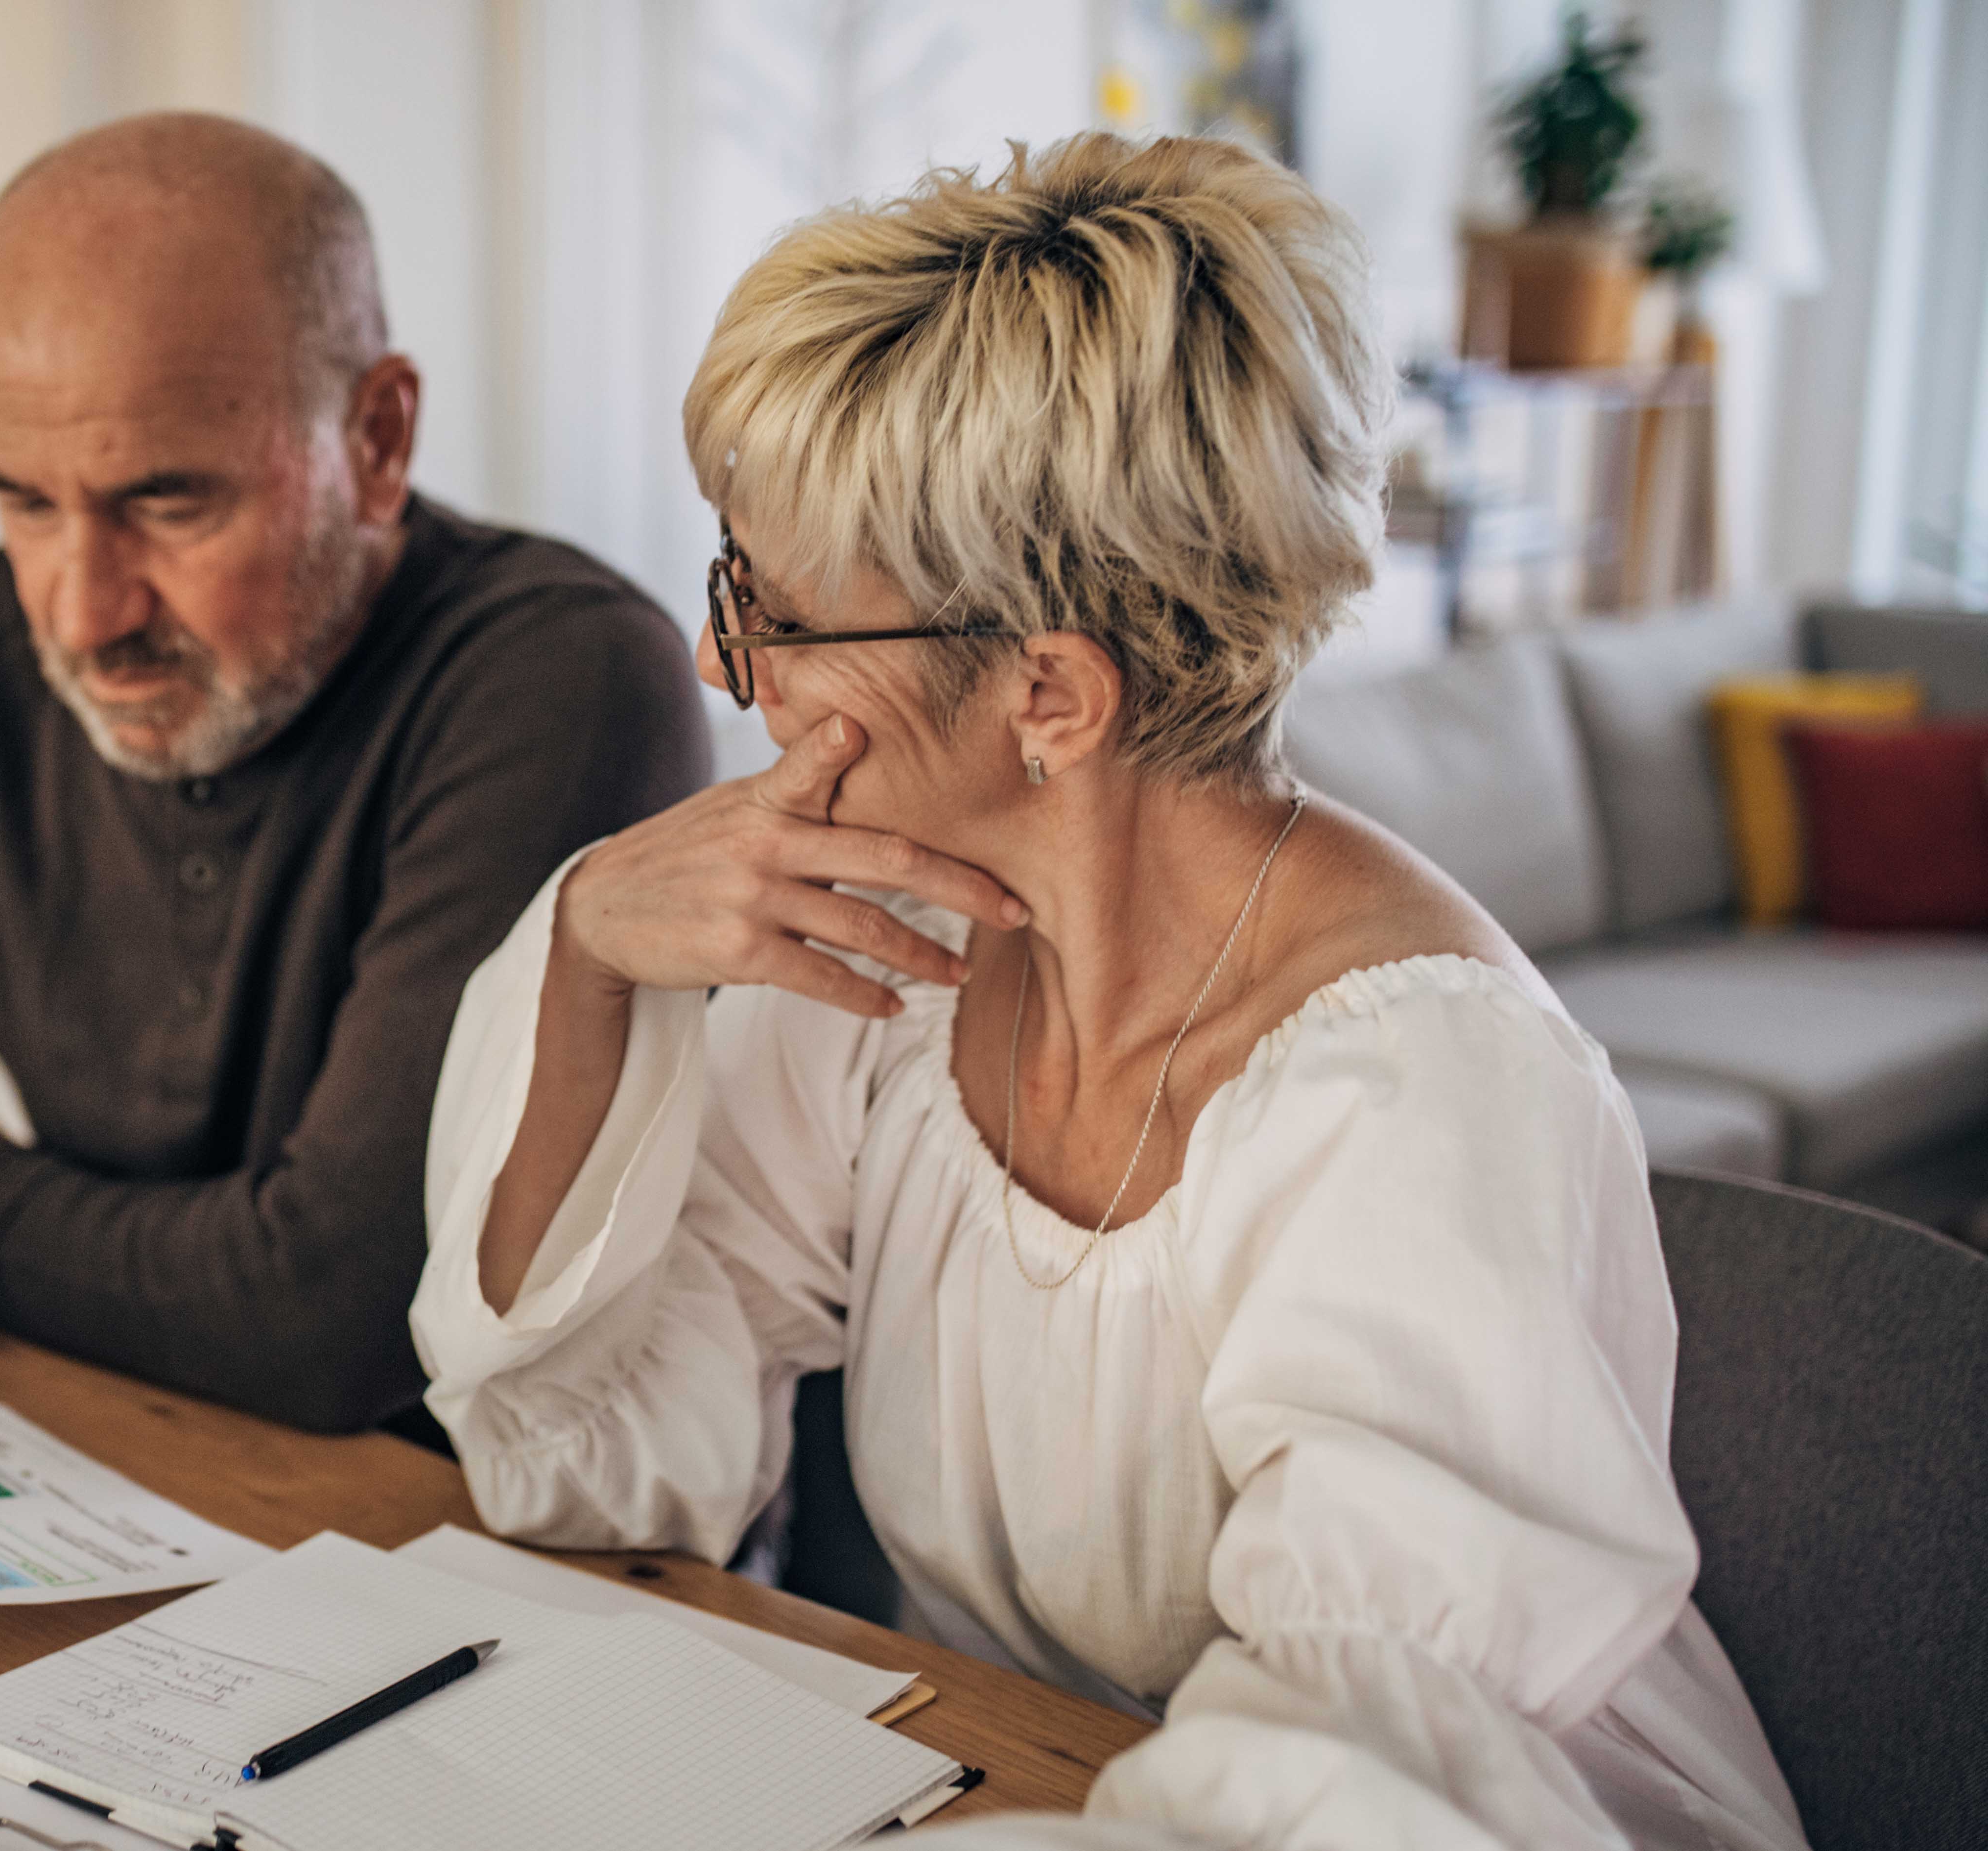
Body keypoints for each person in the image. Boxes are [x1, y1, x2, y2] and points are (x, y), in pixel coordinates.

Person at [409, 135, 1803, 1847]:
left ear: (1054, 696)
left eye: (767, 611)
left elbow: (1361, 1773)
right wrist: (591, 939)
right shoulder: (902, 964)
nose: (720, 665)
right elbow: (595, 1465)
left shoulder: (1421, 1092)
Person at [0, 113, 708, 1434]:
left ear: (377, 439)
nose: (80, 615)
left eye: (167, 504)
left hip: (510, 1552)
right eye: (25, 500)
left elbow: (342, 1318)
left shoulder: (565, 683)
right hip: (133, 1474)